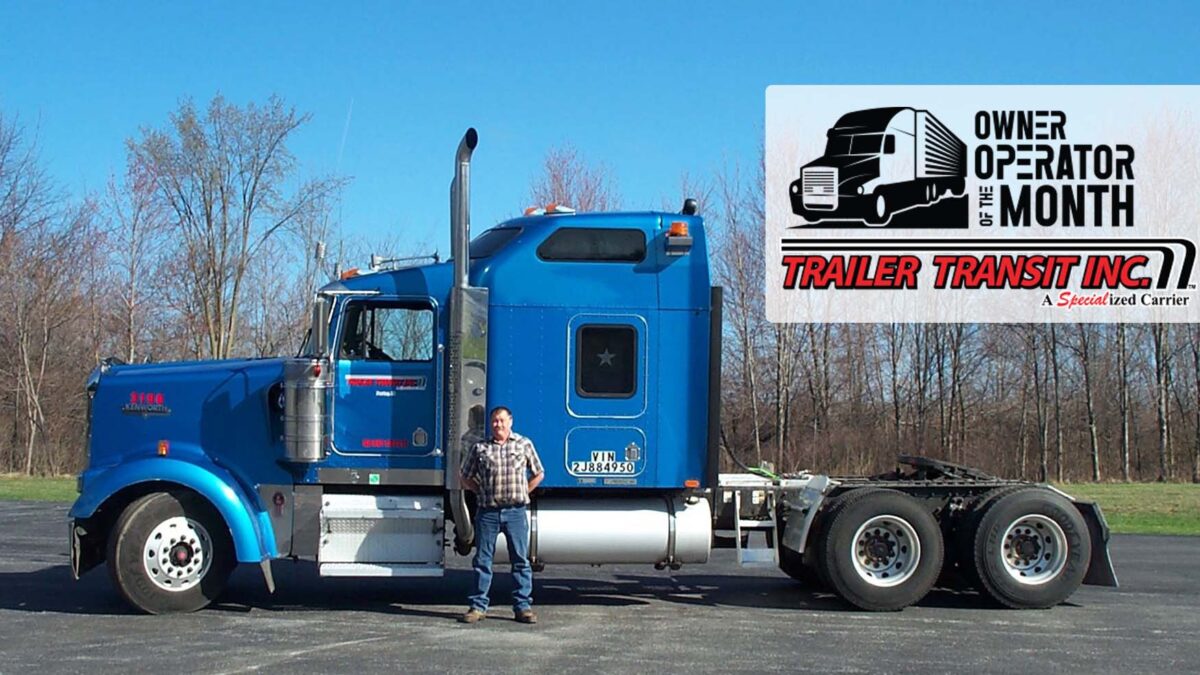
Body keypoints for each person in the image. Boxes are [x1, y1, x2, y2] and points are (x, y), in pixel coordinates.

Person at [459, 406, 544, 624]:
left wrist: (525, 490)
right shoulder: (480, 448)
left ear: (510, 421)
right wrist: (480, 491)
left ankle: (523, 607)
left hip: (515, 512)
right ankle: (477, 607)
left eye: (502, 420)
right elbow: (465, 476)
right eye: (495, 421)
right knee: (482, 561)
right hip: (487, 512)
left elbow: (538, 472)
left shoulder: (523, 444)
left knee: (520, 561)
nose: (498, 424)